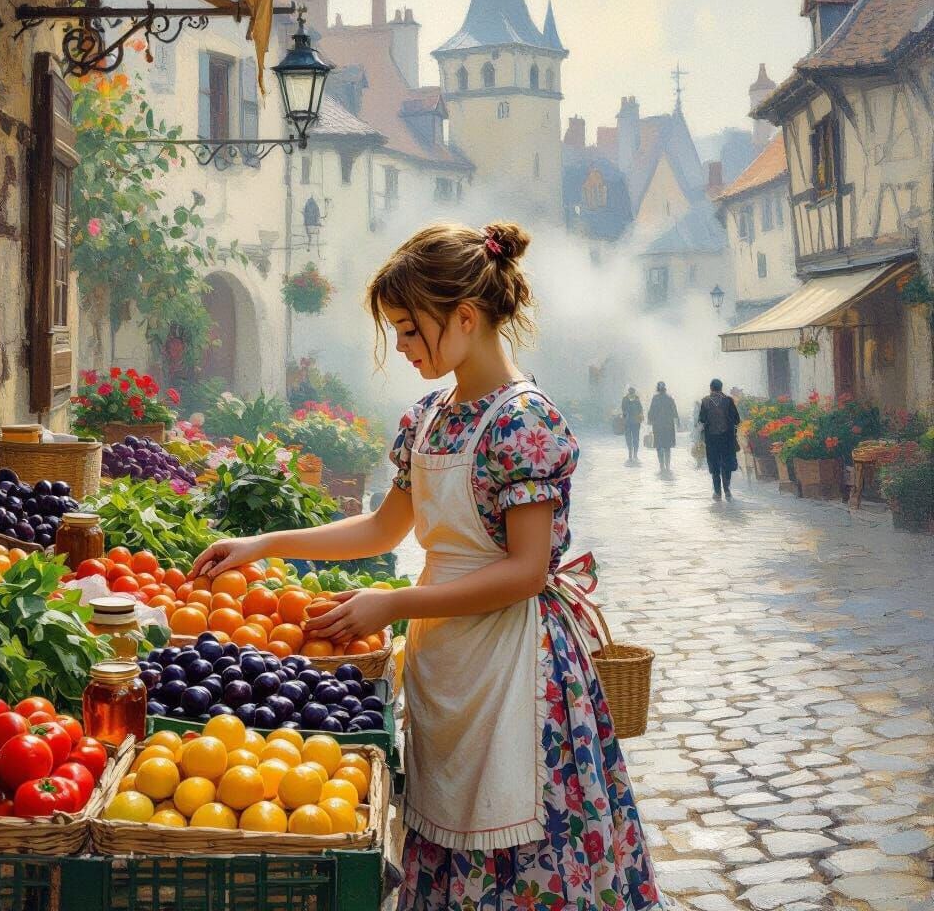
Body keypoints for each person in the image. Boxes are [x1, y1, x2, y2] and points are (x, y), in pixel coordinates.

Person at [192, 221, 665, 911]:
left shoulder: (524, 421)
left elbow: (527, 572)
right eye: (398, 331)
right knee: (448, 819)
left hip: (517, 668)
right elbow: (384, 527)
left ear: (465, 317)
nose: (402, 347)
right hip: (447, 661)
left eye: (411, 330)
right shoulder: (429, 417)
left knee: (517, 837)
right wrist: (265, 544)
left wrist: (393, 603)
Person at [699, 377, 740, 500]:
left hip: (711, 438)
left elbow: (702, 419)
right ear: (721, 388)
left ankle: (717, 492)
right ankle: (727, 490)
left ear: (711, 388)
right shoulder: (728, 400)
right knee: (726, 463)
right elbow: (737, 419)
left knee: (714, 464)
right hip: (727, 438)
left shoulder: (705, 401)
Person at [647, 381, 680, 472]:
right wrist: (678, 422)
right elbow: (675, 411)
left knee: (659, 445)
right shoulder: (669, 398)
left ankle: (661, 466)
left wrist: (649, 420)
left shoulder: (655, 398)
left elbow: (651, 411)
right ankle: (667, 466)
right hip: (668, 426)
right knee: (667, 446)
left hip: (658, 426)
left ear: (658, 388)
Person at [621, 385, 643, 463]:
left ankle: (632, 454)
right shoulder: (636, 399)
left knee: (630, 438)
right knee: (635, 438)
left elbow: (623, 410)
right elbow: (640, 410)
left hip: (629, 422)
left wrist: (624, 418)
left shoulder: (626, 399)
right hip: (635, 422)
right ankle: (634, 454)